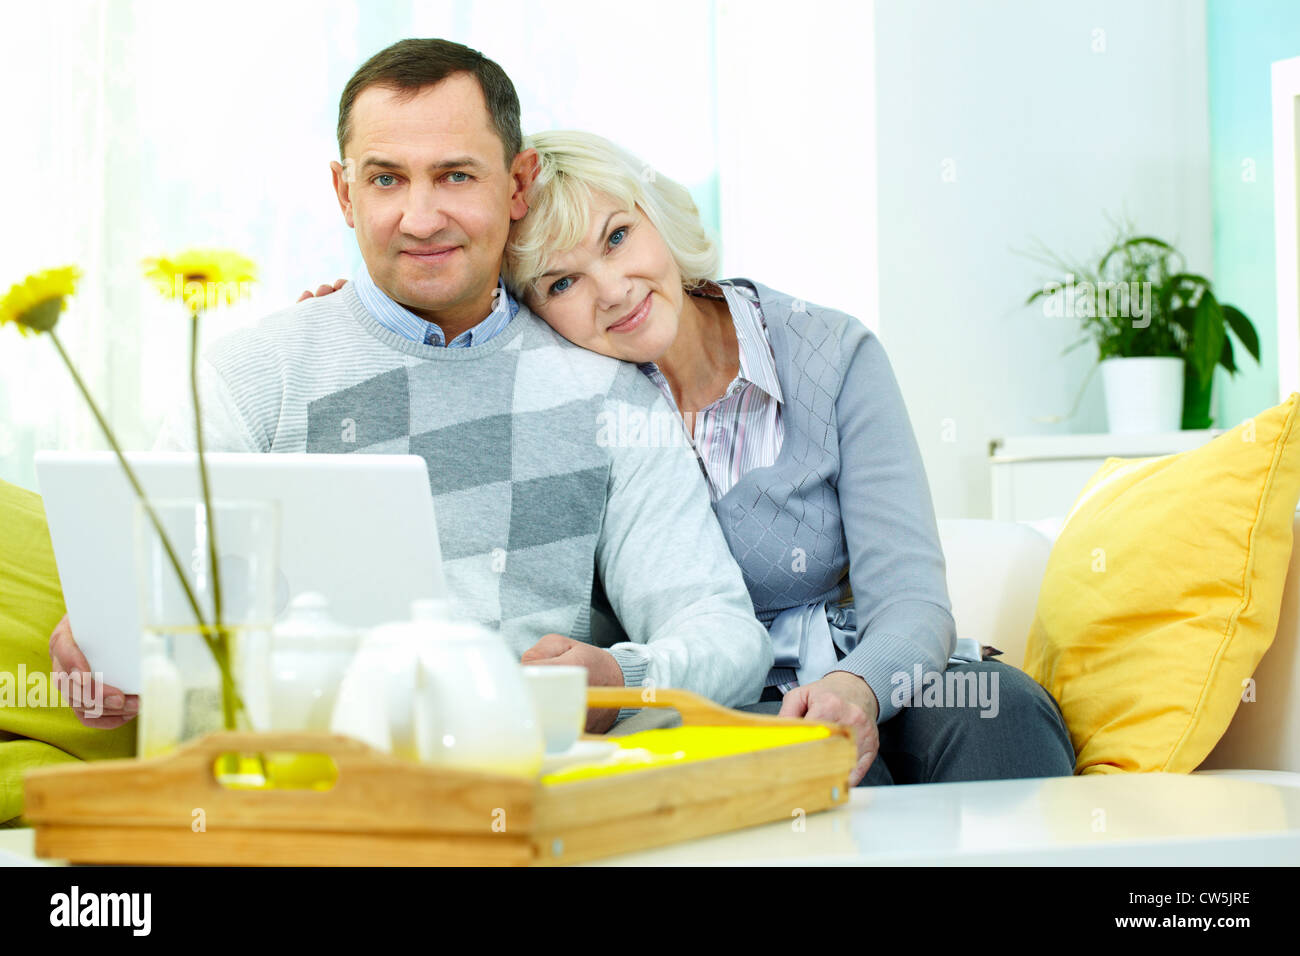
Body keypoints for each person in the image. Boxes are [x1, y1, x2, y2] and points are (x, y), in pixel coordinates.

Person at [47, 38, 774, 737]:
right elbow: (145, 609)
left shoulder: (612, 399)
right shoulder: (251, 375)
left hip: (520, 810)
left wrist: (622, 680)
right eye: (386, 178)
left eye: (456, 175)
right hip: (294, 804)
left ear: (517, 185)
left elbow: (725, 639)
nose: (420, 219)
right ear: (345, 191)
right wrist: (105, 646)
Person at [491, 130, 1078, 786]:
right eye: (562, 281)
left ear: (657, 216)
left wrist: (855, 692)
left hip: (872, 670)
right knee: (832, 789)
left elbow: (910, 596)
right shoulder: (571, 407)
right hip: (710, 705)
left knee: (1002, 718)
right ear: (532, 312)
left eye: (618, 237)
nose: (611, 289)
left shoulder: (831, 351)